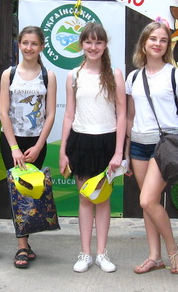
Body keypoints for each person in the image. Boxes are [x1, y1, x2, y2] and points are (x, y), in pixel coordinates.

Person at [125, 21, 178, 274]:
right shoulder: (133, 77)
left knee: (148, 199)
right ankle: (154, 256)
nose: (158, 44)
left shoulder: (176, 75)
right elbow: (130, 116)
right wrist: (126, 151)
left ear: (167, 46)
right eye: (153, 39)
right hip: (138, 145)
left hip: (165, 146)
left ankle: (173, 250)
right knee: (147, 203)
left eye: (163, 40)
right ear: (144, 43)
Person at [59, 22, 126, 273]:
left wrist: (118, 152)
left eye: (98, 42)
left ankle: (102, 254)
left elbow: (122, 114)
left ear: (105, 45)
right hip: (81, 142)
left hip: (107, 142)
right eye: (88, 41)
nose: (93, 46)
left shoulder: (115, 75)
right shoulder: (73, 76)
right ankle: (85, 253)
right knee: (86, 198)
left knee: (103, 198)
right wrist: (63, 151)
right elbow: (69, 114)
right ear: (81, 44)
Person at [0, 26, 58, 268]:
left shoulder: (48, 76)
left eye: (34, 43)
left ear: (41, 47)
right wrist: (13, 147)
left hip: (36, 142)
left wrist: (39, 145)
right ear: (19, 45)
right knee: (17, 192)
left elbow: (50, 114)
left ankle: (26, 242)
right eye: (25, 43)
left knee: (30, 192)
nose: (29, 48)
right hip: (11, 141)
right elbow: (3, 112)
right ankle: (22, 246)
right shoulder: (9, 74)